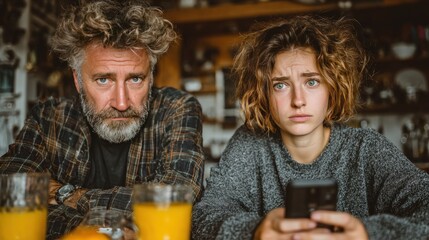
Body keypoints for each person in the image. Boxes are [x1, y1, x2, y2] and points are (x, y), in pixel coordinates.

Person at [192, 15, 429, 240]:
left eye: (312, 82)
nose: (298, 100)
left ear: (333, 88)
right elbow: (202, 218)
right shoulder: (249, 144)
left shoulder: (366, 148)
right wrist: (253, 230)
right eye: (281, 85)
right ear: (263, 94)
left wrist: (368, 233)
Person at [0, 0, 205, 239]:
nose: (121, 103)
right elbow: (9, 192)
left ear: (151, 77)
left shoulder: (177, 109)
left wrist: (66, 195)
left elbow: (178, 198)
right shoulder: (48, 118)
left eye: (135, 79)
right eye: (103, 80)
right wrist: (113, 230)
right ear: (77, 80)